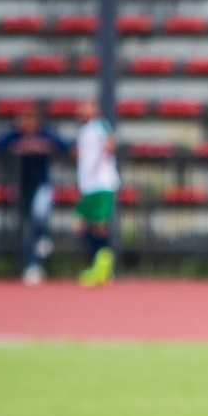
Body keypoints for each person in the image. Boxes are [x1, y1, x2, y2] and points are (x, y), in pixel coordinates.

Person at [0, 106, 70, 285]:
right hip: (21, 186)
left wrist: (41, 146)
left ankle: (44, 237)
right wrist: (18, 146)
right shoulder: (15, 134)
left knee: (41, 213)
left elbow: (64, 145)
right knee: (25, 226)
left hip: (41, 183)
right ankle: (31, 265)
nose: (25, 123)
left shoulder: (45, 132)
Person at [74, 98, 118, 287]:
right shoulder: (84, 130)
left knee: (99, 225)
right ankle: (98, 266)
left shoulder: (99, 125)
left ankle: (102, 268)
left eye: (85, 106)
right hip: (88, 184)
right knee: (84, 225)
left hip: (101, 183)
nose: (81, 110)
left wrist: (102, 158)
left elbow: (110, 142)